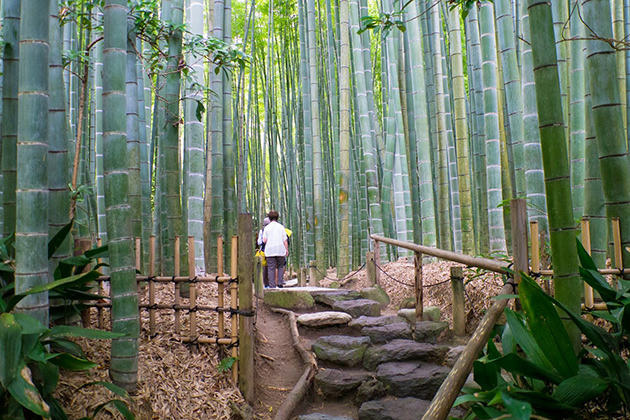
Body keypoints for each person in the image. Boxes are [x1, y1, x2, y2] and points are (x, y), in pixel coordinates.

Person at [262, 210, 288, 288]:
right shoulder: (281, 227)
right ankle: (280, 283)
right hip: (280, 249)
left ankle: (272, 285)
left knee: (271, 268)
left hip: (270, 250)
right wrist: (286, 249)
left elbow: (264, 240)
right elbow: (285, 240)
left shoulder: (267, 228)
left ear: (269, 218)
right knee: (280, 266)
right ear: (277, 218)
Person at [257, 217, 271, 287]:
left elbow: (259, 242)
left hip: (264, 251)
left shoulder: (262, 231)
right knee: (272, 267)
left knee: (264, 268)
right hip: (272, 251)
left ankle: (266, 284)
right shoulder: (273, 230)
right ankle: (273, 284)